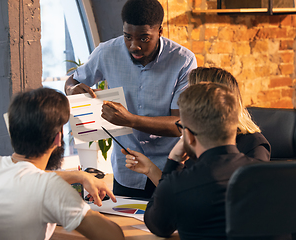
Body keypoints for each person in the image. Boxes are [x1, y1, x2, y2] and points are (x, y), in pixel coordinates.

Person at [64, 0, 197, 198]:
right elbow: (71, 81)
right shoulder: (106, 52)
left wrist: (131, 120)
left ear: (160, 31)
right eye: (128, 37)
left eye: (144, 39)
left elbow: (180, 124)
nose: (134, 46)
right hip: (126, 171)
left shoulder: (183, 61)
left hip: (168, 170)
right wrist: (73, 89)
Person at [0, 88, 124, 240]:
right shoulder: (49, 188)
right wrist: (88, 213)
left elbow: (23, 175)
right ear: (57, 138)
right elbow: (114, 236)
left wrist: (79, 175)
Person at [143, 83, 265, 239]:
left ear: (189, 135)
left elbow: (156, 226)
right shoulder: (269, 177)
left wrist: (172, 163)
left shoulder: (178, 186)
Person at [125, 67, 270, 186]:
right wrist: (150, 169)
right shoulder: (199, 139)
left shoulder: (253, 143)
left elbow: (254, 197)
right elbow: (180, 193)